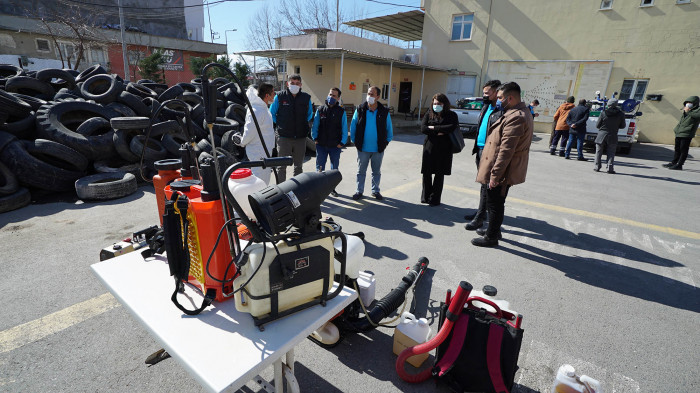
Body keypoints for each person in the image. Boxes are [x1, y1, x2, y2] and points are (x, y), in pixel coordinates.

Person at [472, 82, 533, 248]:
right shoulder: (516, 112)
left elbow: (506, 151)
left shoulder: (516, 117)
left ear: (510, 98)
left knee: (495, 204)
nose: (497, 101)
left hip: (502, 170)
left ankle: (491, 237)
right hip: (503, 168)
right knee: (496, 202)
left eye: (500, 98)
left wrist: (495, 175)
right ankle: (494, 230)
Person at [465, 79, 502, 231]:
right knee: (483, 184)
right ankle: (481, 212)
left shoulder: (501, 110)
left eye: (487, 93)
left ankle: (481, 217)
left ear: (496, 92)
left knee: (488, 185)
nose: (484, 95)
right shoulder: (486, 106)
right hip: (480, 150)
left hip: (490, 152)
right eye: (483, 92)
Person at [350, 86, 393, 200]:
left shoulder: (384, 112)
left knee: (376, 172)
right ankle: (359, 191)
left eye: (372, 94)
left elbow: (389, 130)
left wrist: (385, 143)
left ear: (378, 97)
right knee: (361, 171)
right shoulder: (360, 109)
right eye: (368, 94)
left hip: (378, 149)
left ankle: (375, 191)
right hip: (363, 148)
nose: (369, 96)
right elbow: (353, 126)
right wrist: (355, 142)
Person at [269, 74, 313, 183]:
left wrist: (301, 123)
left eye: (297, 83)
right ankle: (281, 191)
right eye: (292, 83)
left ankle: (296, 190)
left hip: (300, 138)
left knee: (298, 167)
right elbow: (272, 113)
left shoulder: (306, 98)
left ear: (301, 85)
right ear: (287, 84)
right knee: (281, 167)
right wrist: (281, 124)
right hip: (283, 138)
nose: (294, 85)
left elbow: (309, 114)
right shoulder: (279, 97)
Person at [420, 93, 458, 206]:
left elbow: (451, 127)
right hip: (429, 147)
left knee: (439, 174)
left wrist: (433, 128)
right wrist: (440, 131)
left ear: (444, 104)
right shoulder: (429, 113)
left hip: (444, 149)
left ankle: (435, 199)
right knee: (426, 173)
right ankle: (425, 197)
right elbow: (423, 128)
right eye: (435, 103)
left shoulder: (451, 115)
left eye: (439, 103)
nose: (436, 105)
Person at [311, 87, 347, 195]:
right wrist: (315, 138)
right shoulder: (320, 109)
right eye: (330, 94)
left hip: (335, 146)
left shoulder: (341, 112)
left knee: (334, 169)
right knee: (319, 169)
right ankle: (319, 189)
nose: (331, 97)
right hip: (321, 145)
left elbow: (344, 128)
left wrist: (342, 142)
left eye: (334, 96)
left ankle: (332, 188)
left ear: (338, 98)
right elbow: (315, 126)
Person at [238, 83, 276, 184]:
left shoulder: (262, 108)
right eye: (273, 93)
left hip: (264, 150)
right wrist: (242, 142)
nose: (275, 95)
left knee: (264, 179)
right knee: (259, 181)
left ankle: (261, 198)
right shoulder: (257, 110)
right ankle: (257, 199)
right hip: (258, 151)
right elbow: (249, 130)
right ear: (267, 96)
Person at [663, 96, 700, 170]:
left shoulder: (697, 110)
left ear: (695, 103)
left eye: (690, 103)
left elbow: (697, 116)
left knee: (683, 149)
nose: (688, 104)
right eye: (687, 102)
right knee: (677, 148)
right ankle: (674, 162)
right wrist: (676, 129)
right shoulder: (686, 110)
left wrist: (688, 111)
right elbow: (682, 121)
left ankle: (680, 165)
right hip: (679, 132)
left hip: (687, 133)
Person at [593, 98, 626, 174]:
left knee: (598, 151)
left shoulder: (603, 113)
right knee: (611, 152)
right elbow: (623, 126)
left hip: (602, 134)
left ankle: (597, 167)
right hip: (613, 134)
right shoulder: (621, 114)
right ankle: (610, 168)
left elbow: (597, 125)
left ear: (609, 104)